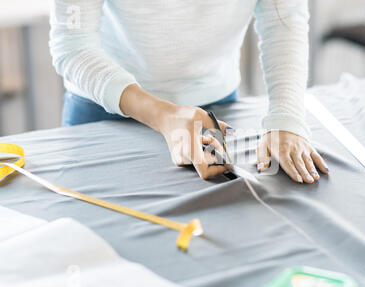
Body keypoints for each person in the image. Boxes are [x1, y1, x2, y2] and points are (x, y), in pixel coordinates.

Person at [49, 0, 329, 183]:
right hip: (105, 108)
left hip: (213, 109)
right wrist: (166, 116)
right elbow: (73, 46)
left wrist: (286, 118)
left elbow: (284, 21)